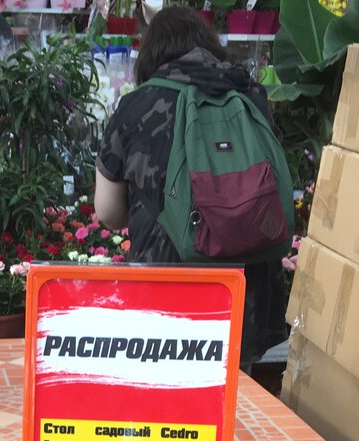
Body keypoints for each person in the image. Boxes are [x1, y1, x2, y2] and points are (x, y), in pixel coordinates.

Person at [95, 7, 288, 367]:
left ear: (151, 53)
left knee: (162, 391)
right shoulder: (250, 96)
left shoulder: (137, 105)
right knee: (231, 388)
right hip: (243, 291)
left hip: (165, 291)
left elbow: (108, 211)